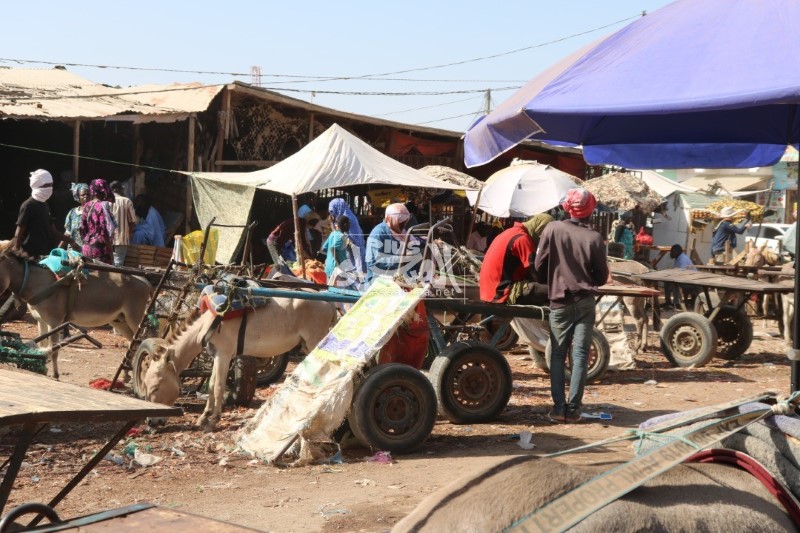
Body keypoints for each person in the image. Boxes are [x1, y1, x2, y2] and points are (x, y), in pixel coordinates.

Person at [535, 188, 608, 424]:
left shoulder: (553, 229)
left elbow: (539, 264)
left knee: (557, 354)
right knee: (580, 355)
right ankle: (574, 410)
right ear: (590, 211)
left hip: (559, 301)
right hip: (585, 301)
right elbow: (602, 276)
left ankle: (558, 409)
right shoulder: (595, 238)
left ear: (567, 208)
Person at [479, 214, 552, 305]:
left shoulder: (510, 232)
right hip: (499, 292)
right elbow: (536, 273)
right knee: (552, 291)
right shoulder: (522, 238)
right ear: (540, 229)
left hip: (486, 289)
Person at [14, 169, 67, 258]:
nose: (50, 188)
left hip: (43, 254)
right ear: (37, 185)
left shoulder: (45, 205)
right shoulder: (28, 205)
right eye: (46, 185)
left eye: (51, 185)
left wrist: (71, 241)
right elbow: (19, 232)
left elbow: (53, 231)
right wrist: (16, 251)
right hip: (29, 254)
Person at [365, 203, 421, 282]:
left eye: (404, 222)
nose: (402, 225)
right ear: (389, 218)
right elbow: (375, 262)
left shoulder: (400, 231)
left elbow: (413, 241)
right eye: (399, 222)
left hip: (401, 276)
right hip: (381, 279)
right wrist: (401, 258)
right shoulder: (378, 233)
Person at [79, 179, 118, 264]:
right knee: (105, 276)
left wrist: (88, 240)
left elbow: (82, 227)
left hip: (87, 248)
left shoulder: (86, 205)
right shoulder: (102, 206)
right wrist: (111, 250)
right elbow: (104, 232)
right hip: (100, 249)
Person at [328, 198, 366, 271]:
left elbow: (353, 238)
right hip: (351, 248)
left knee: (359, 271)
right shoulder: (340, 217)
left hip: (356, 248)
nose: (331, 213)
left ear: (338, 207)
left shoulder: (347, 219)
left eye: (332, 210)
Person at [109, 181, 137, 266]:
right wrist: (130, 233)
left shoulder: (105, 201)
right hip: (121, 238)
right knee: (118, 262)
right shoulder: (127, 201)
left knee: (107, 263)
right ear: (119, 189)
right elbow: (132, 220)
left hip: (107, 238)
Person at [662, 244, 697, 310]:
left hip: (692, 282)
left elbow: (681, 273)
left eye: (672, 252)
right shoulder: (678, 258)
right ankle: (668, 302)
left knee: (674, 283)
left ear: (677, 252)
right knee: (666, 282)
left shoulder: (683, 259)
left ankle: (677, 303)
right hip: (687, 279)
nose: (671, 253)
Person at [62, 182, 89, 250]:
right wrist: (58, 248)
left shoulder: (95, 212)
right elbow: (68, 233)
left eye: (88, 194)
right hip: (73, 252)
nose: (86, 196)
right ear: (78, 197)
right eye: (83, 195)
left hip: (89, 252)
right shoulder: (73, 212)